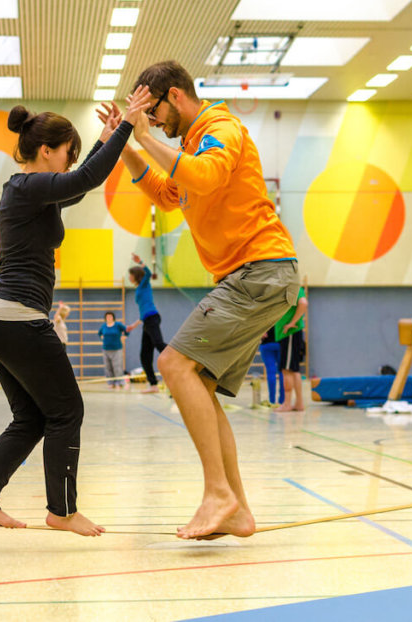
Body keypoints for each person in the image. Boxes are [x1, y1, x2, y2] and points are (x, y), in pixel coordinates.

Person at [106, 61, 299, 539]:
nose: (153, 121)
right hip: (250, 276)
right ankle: (237, 509)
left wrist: (143, 136)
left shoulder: (220, 127)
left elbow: (207, 176)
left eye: (154, 111)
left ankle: (218, 493)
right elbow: (169, 195)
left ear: (175, 95)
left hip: (260, 270)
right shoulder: (188, 145)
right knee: (198, 384)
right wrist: (128, 146)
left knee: (173, 365)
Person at [0, 86, 151, 537]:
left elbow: (78, 187)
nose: (69, 161)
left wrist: (105, 141)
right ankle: (62, 511)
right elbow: (81, 181)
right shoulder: (27, 186)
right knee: (67, 411)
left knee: (31, 418)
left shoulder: (28, 192)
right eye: (67, 153)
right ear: (44, 151)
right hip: (17, 320)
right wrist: (125, 125)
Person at [126, 253, 167, 393]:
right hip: (147, 320)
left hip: (152, 318)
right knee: (145, 355)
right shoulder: (139, 288)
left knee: (159, 344)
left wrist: (140, 261)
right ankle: (153, 385)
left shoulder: (144, 284)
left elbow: (148, 273)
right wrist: (134, 325)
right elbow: (143, 312)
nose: (129, 277)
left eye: (130, 275)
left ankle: (178, 356)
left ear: (136, 275)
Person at [276, 288, 308, 412]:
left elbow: (303, 303)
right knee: (294, 369)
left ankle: (287, 403)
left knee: (287, 370)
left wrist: (292, 322)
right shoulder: (288, 287)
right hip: (287, 334)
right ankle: (299, 403)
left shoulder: (293, 287)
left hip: (289, 333)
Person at [98, 311, 130, 389]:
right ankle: (111, 383)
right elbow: (99, 333)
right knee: (108, 367)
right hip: (106, 349)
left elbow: (127, 330)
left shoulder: (118, 325)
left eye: (110, 316)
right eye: (107, 316)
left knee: (117, 367)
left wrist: (125, 336)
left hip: (117, 349)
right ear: (105, 318)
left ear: (113, 317)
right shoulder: (104, 326)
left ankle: (119, 382)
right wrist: (101, 337)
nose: (109, 318)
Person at [258, 331, 283, 407]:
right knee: (283, 372)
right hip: (281, 342)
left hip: (266, 343)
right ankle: (282, 401)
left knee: (271, 372)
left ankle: (272, 401)